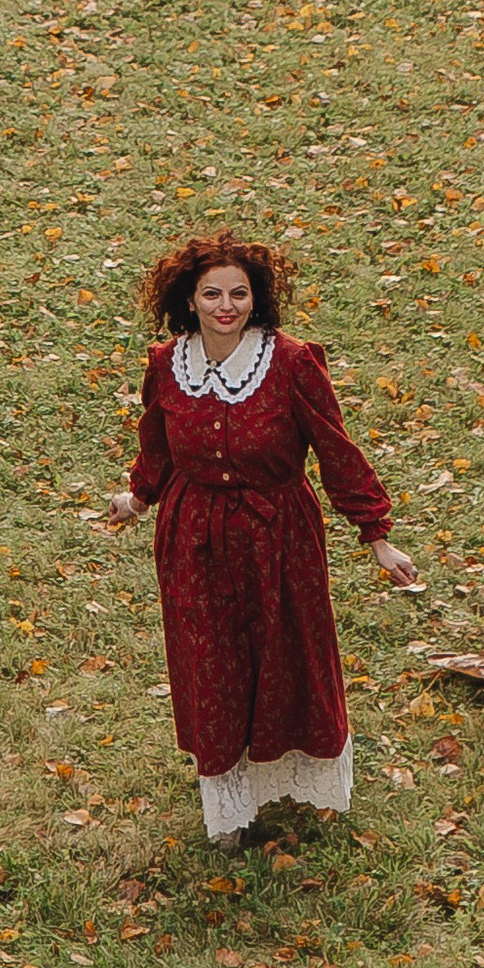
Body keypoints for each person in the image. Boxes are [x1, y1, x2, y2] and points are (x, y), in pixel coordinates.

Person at [105, 230, 420, 846]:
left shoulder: (292, 362)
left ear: (258, 299)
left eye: (239, 293)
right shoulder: (168, 365)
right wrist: (139, 496)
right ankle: (229, 807)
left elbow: (335, 448)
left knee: (287, 655)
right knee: (211, 662)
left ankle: (296, 781)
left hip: (280, 533)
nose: (227, 305)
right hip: (193, 537)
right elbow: (158, 445)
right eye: (212, 293)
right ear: (188, 300)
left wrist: (377, 535)